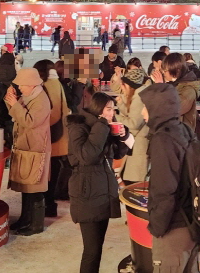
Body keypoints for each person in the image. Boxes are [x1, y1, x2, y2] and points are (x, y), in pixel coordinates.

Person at [139, 82, 199, 272]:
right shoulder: (184, 130)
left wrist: (157, 229)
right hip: (192, 222)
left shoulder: (163, 140)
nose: (142, 112)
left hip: (174, 228)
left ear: (156, 108)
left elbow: (164, 191)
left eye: (145, 106)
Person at [67, 92, 130, 273]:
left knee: (97, 248)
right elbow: (87, 156)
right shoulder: (78, 127)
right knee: (91, 251)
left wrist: (122, 137)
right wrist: (102, 125)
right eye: (108, 109)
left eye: (113, 109)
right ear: (98, 109)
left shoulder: (104, 126)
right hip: (86, 193)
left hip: (104, 191)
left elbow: (116, 154)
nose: (112, 113)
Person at [5, 68, 52, 236]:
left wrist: (15, 104)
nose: (20, 88)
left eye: (22, 85)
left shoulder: (41, 100)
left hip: (36, 148)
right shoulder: (30, 96)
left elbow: (29, 121)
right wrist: (11, 100)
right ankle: (25, 219)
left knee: (35, 188)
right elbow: (17, 114)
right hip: (27, 146)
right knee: (26, 187)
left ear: (32, 84)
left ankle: (36, 224)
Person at [34, 60, 71, 218]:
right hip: (59, 134)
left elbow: (52, 113)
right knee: (53, 171)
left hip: (51, 135)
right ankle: (50, 204)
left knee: (49, 173)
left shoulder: (49, 85)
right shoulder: (55, 83)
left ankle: (49, 205)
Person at [115, 68, 151, 184]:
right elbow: (133, 114)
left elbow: (133, 123)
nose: (122, 87)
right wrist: (121, 104)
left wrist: (114, 117)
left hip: (138, 147)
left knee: (133, 182)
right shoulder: (139, 94)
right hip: (135, 145)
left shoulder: (139, 97)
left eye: (123, 84)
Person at [161, 52, 200, 136]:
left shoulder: (189, 89)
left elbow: (175, 109)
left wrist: (161, 86)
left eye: (165, 71)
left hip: (181, 136)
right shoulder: (176, 84)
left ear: (177, 70)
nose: (163, 73)